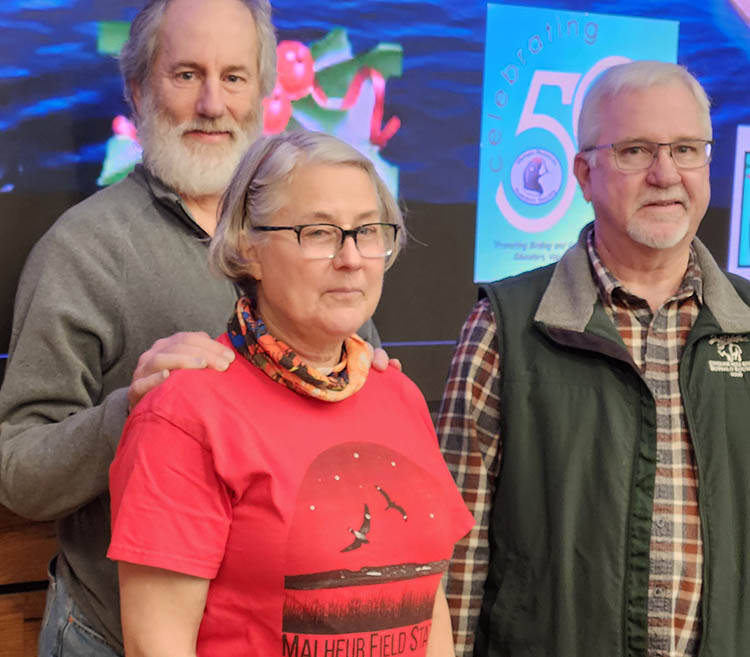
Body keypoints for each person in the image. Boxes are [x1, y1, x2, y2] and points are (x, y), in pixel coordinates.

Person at [0, 1, 384, 655]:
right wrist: (131, 410)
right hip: (114, 637)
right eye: (185, 74)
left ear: (264, 93)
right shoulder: (80, 251)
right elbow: (17, 473)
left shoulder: (307, 238)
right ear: (137, 87)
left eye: (234, 77)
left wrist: (370, 390)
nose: (212, 103)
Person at [106, 129, 473, 656]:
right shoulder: (186, 415)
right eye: (319, 232)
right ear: (247, 248)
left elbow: (427, 603)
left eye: (368, 231)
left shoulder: (400, 397)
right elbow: (155, 646)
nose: (351, 258)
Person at [438, 60, 750, 657]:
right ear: (584, 173)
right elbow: (456, 559)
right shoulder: (504, 330)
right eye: (636, 150)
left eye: (687, 149)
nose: (666, 174)